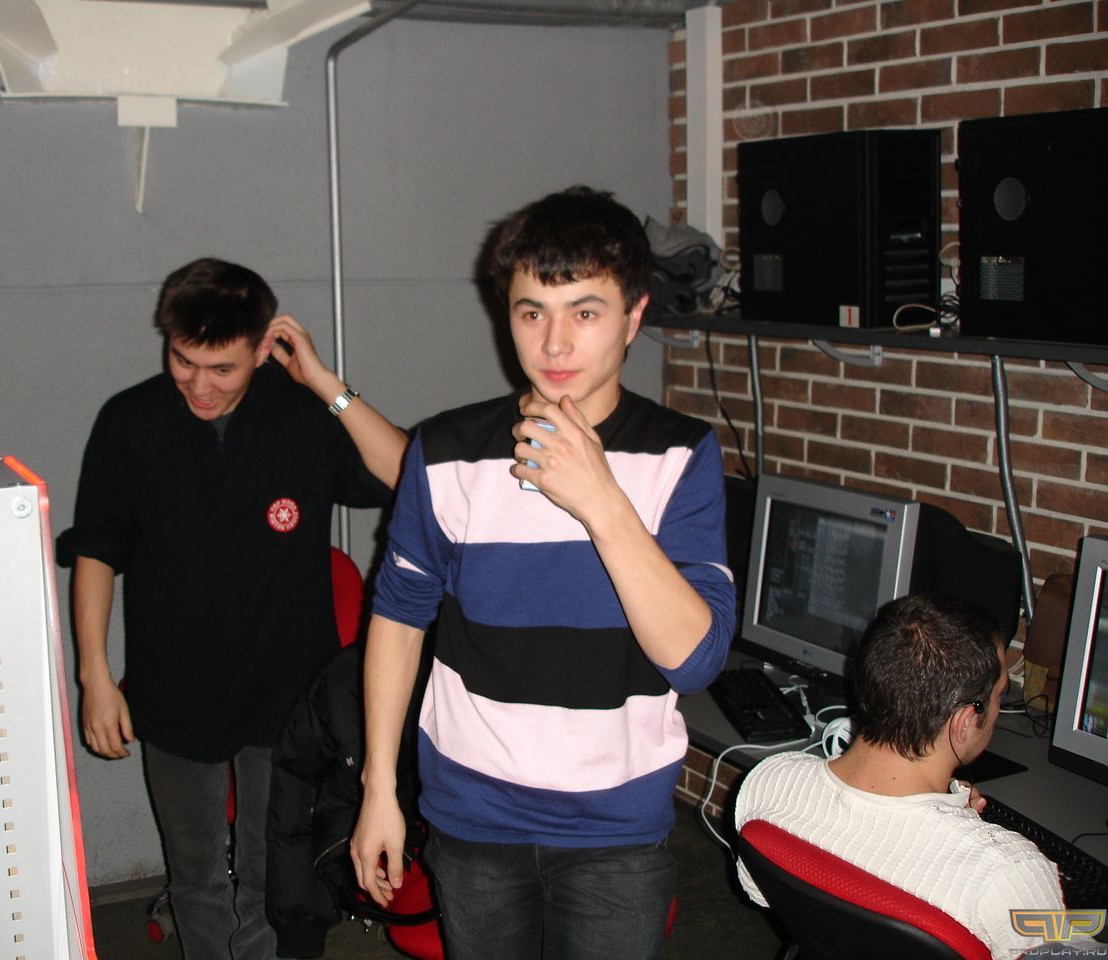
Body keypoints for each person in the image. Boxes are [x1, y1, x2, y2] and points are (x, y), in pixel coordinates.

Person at [350, 186, 737, 960]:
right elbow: (398, 619)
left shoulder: (680, 455)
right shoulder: (444, 452)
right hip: (471, 818)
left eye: (585, 312)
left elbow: (695, 659)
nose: (555, 343)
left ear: (633, 316)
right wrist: (379, 788)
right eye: (533, 313)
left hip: (615, 832)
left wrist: (602, 501)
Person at [61, 257, 407, 960]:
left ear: (262, 348)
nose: (199, 385)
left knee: (269, 872)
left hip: (285, 690)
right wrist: (94, 675)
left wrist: (324, 383)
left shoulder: (302, 413)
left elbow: (407, 473)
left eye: (222, 368)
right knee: (194, 875)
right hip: (173, 685)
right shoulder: (130, 421)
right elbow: (97, 548)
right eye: (183, 362)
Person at [734, 594, 1067, 960]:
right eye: (1000, 695)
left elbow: (761, 892)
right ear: (964, 721)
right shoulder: (1010, 874)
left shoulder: (771, 783)